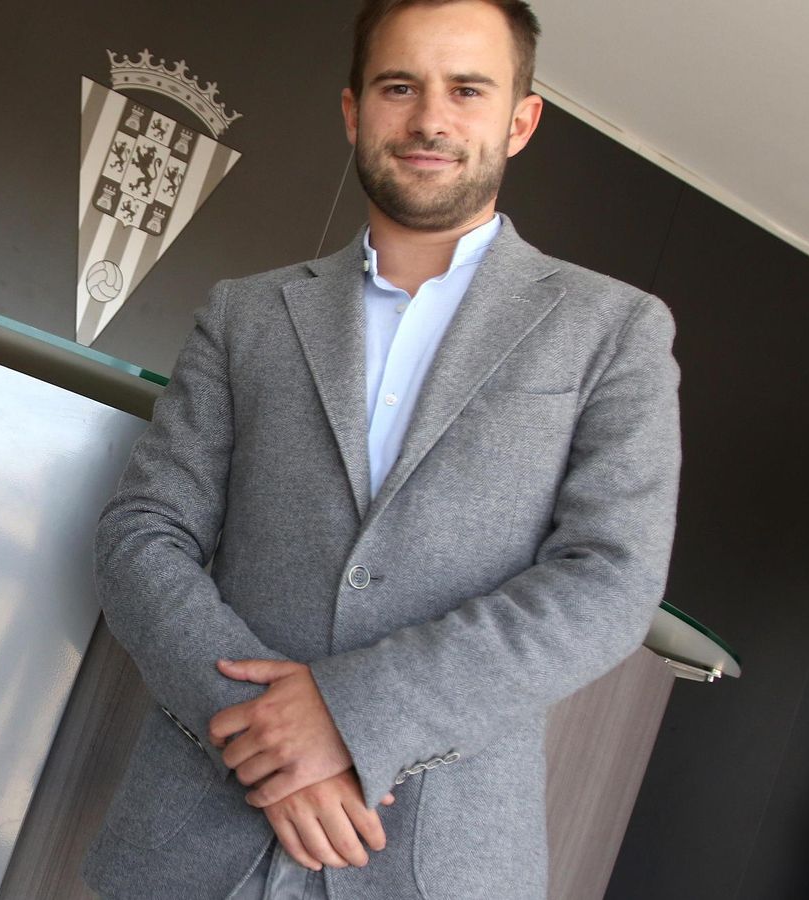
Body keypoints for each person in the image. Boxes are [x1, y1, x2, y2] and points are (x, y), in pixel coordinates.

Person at [79, 0, 683, 897]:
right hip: (193, 843)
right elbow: (141, 537)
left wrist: (350, 714)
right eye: (400, 86)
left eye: (467, 90)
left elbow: (609, 582)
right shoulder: (248, 313)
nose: (431, 118)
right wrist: (263, 730)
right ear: (355, 111)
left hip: (438, 860)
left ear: (520, 120)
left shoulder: (613, 328)